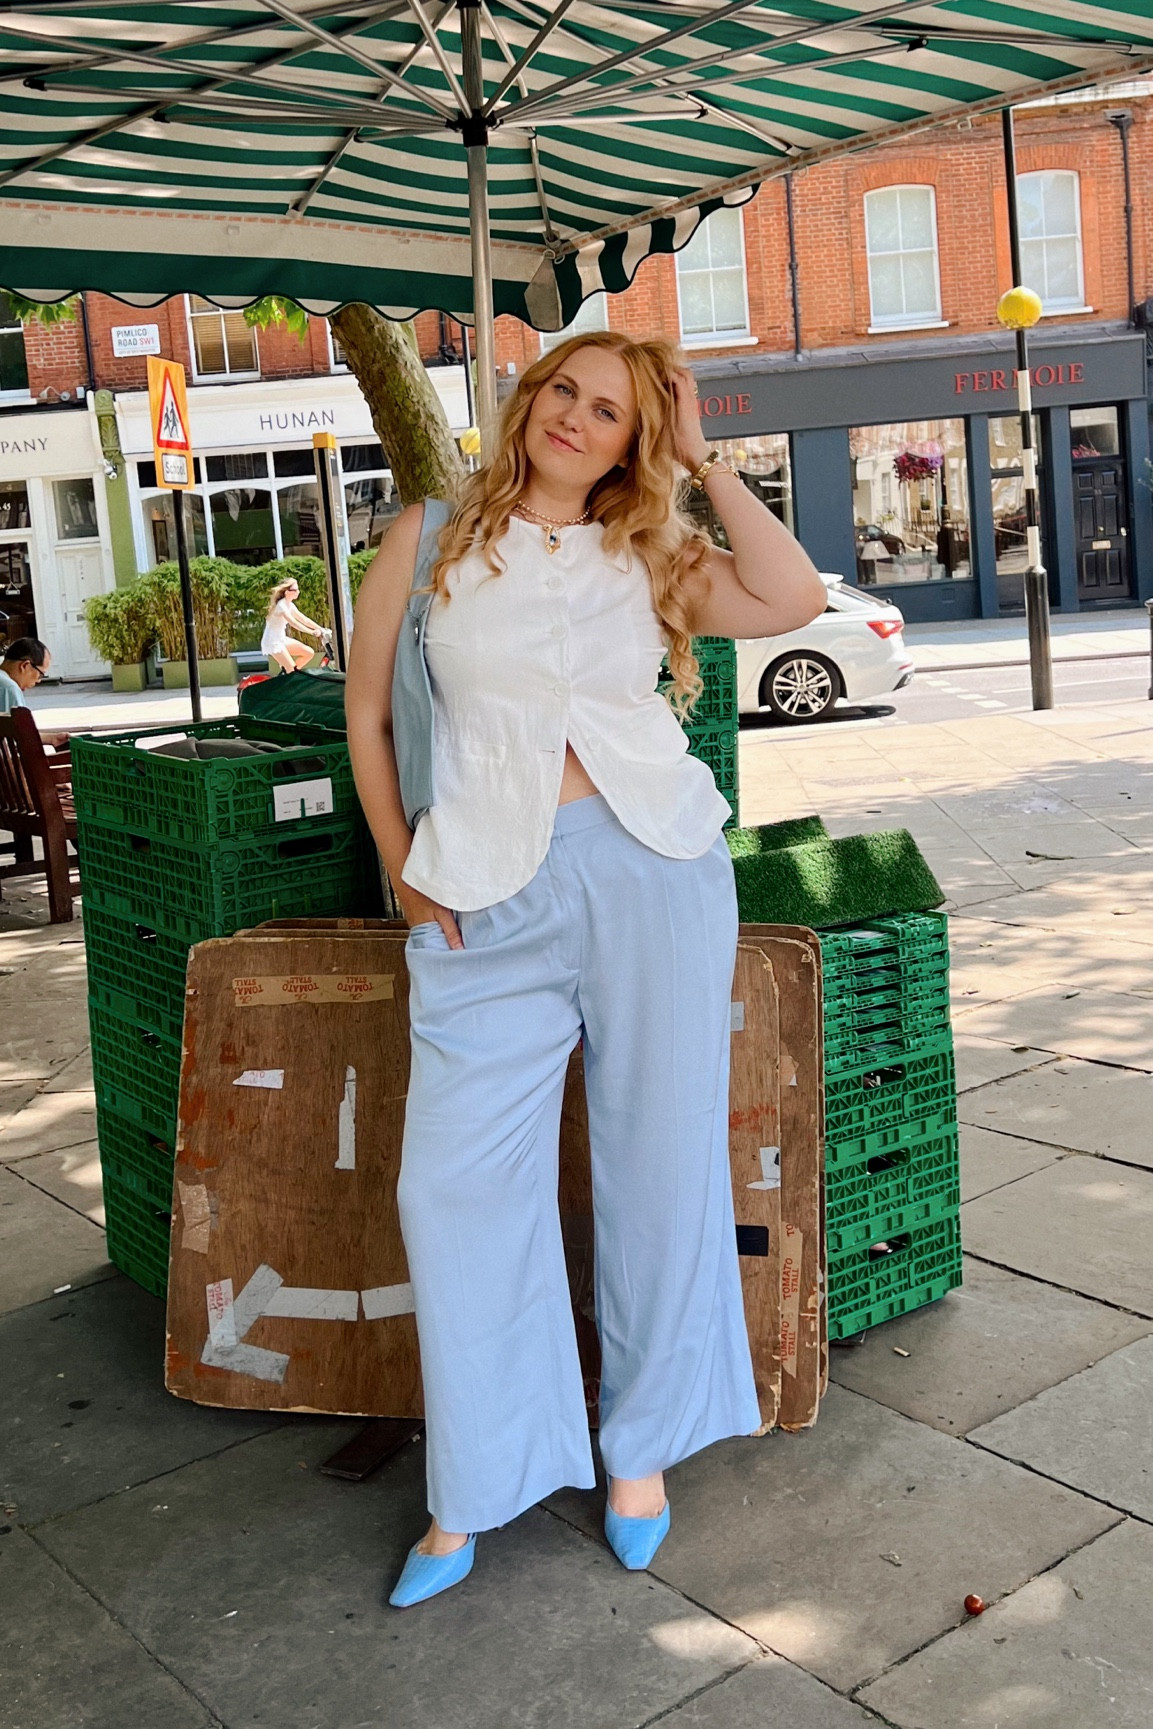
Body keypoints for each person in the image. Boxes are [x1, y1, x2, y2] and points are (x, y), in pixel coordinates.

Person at [345, 331, 827, 1610]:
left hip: (650, 869)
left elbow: (792, 600)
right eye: (563, 388)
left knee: (659, 1162)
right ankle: (480, 1477)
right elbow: (366, 712)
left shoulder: (651, 549)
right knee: (449, 1187)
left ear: (635, 440)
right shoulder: (429, 534)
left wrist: (708, 459)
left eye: (611, 410)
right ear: (527, 398)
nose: (576, 416)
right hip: (478, 889)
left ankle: (640, 1451)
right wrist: (401, 861)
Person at [0, 637, 67, 748]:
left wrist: (52, 738)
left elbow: (21, 733)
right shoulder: (9, 688)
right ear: (25, 666)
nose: (38, 681)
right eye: (40, 674)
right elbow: (24, 740)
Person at [260, 578, 325, 674]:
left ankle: (289, 674)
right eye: (295, 590)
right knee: (291, 669)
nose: (298, 592)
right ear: (287, 592)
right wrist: (311, 632)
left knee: (308, 652)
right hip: (273, 642)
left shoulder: (289, 604)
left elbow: (304, 619)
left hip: (281, 638)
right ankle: (290, 674)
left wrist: (321, 628)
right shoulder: (281, 606)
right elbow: (293, 623)